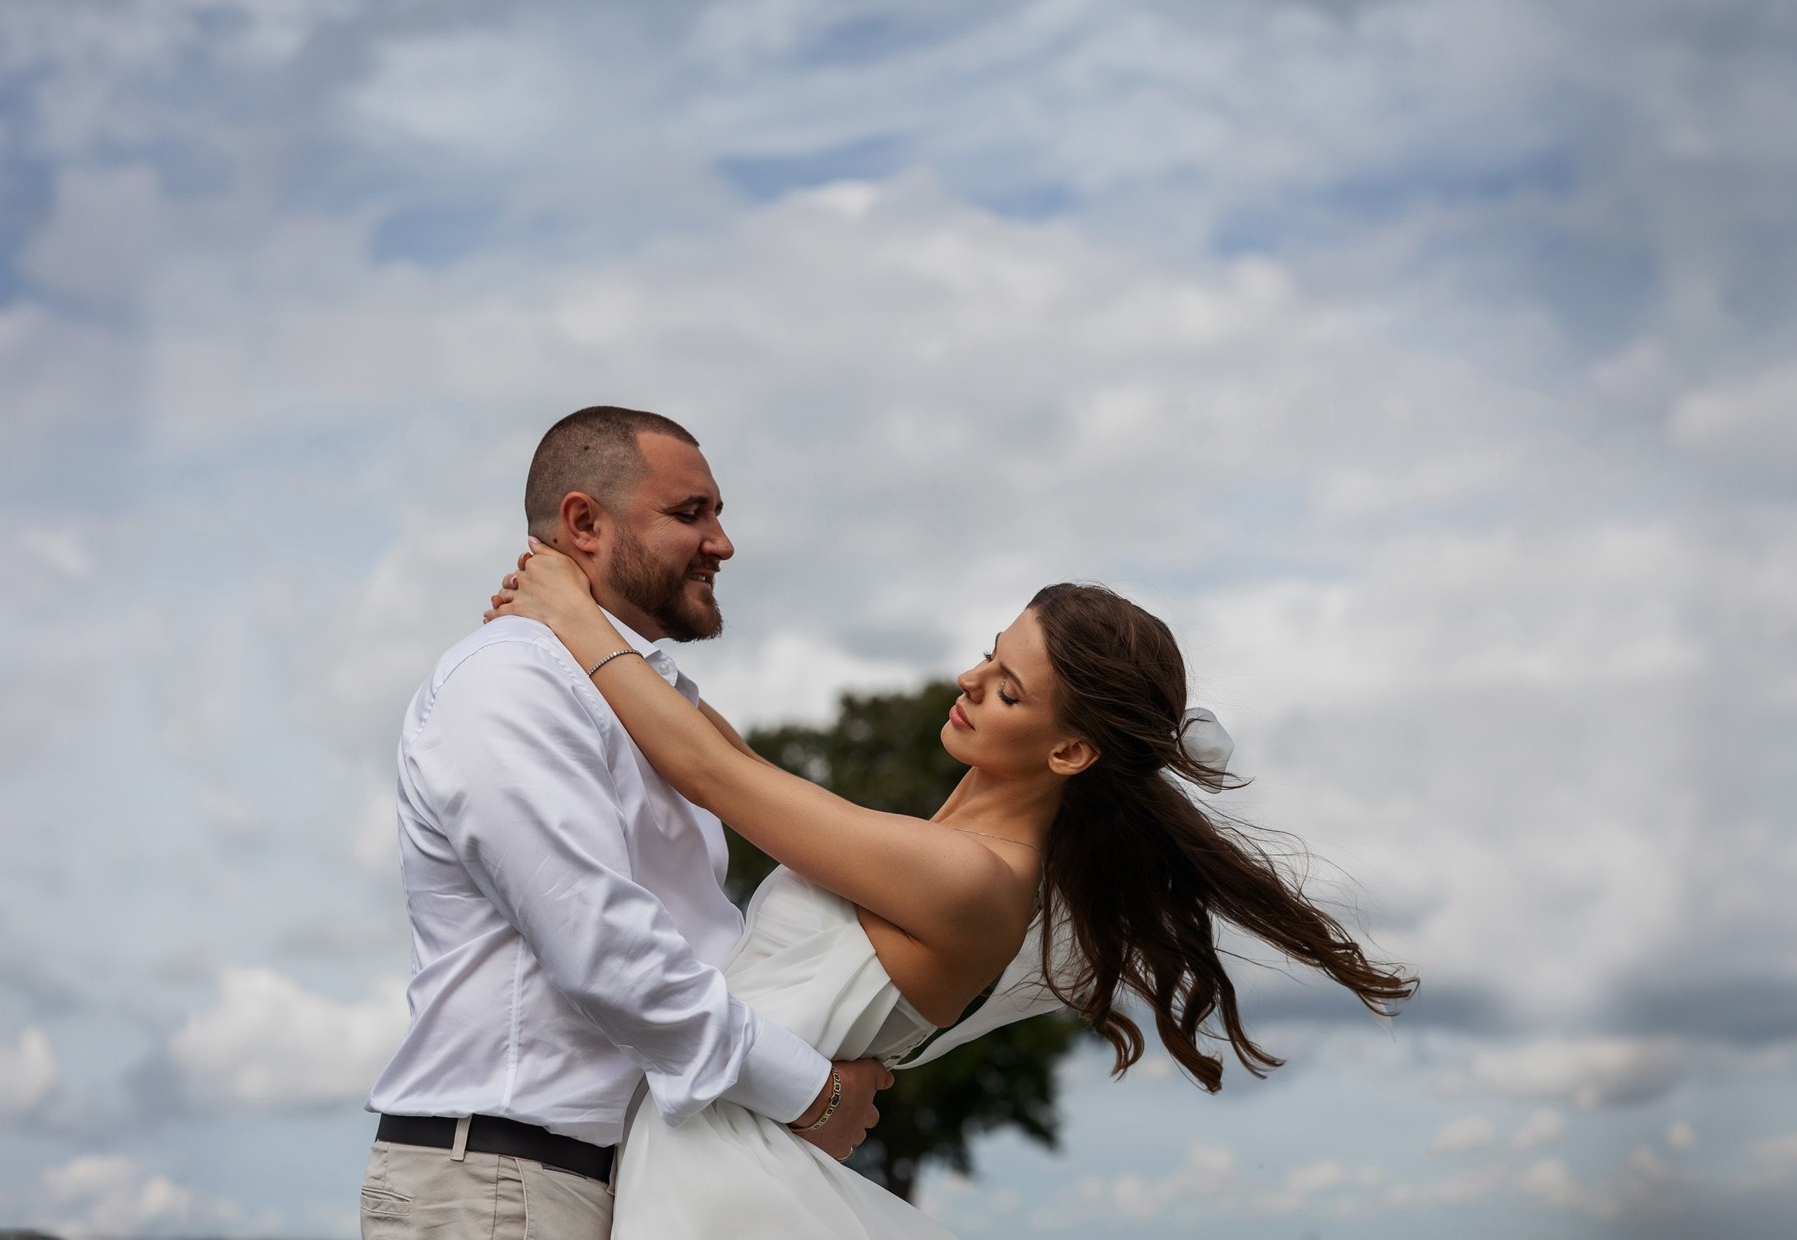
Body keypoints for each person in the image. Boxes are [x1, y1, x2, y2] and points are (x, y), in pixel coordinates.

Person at [488, 537, 1417, 1237]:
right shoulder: (941, 843)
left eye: (1009, 689)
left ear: (1069, 751)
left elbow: (716, 778)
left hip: (725, 1183)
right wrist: (613, 629)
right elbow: (734, 755)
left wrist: (570, 614)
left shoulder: (973, 877)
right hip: (707, 1154)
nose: (969, 681)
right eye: (988, 653)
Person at [359, 407, 891, 1240]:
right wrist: (808, 1090)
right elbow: (604, 947)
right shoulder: (509, 682)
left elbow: (771, 806)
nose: (723, 542)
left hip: (615, 1182)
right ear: (584, 523)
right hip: (507, 1186)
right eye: (691, 513)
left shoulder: (641, 699)